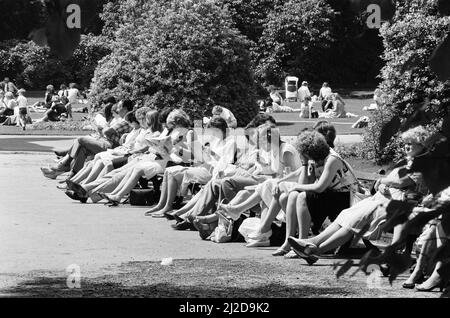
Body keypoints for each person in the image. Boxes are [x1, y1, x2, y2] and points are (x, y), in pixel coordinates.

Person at [287, 126, 431, 265]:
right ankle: (313, 246)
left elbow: (401, 182)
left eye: (410, 144)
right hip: (381, 200)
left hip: (396, 205)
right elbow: (383, 184)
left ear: (421, 144)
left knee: (354, 221)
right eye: (405, 144)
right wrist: (382, 184)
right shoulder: (408, 161)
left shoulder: (424, 163)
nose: (406, 147)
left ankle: (314, 248)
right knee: (347, 215)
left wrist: (382, 181)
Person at [271, 130, 358, 259]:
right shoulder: (315, 160)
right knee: (294, 195)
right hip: (330, 196)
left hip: (344, 198)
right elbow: (305, 183)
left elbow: (319, 187)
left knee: (300, 196)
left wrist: (296, 186)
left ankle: (302, 241)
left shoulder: (332, 159)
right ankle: (288, 243)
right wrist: (305, 165)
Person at [146, 116, 237, 217]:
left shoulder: (230, 141)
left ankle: (167, 206)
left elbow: (227, 161)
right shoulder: (215, 140)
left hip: (214, 171)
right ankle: (161, 205)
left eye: (214, 131)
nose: (212, 134)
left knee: (172, 172)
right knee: (168, 171)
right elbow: (204, 158)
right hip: (206, 166)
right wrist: (202, 152)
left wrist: (210, 153)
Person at [41, 99, 134, 178]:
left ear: (125, 108)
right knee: (82, 149)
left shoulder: (125, 121)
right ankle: (73, 175)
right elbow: (107, 131)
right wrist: (105, 128)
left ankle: (64, 164)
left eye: (119, 107)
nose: (117, 109)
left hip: (111, 145)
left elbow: (106, 131)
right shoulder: (122, 119)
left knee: (81, 139)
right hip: (106, 142)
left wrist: (104, 127)